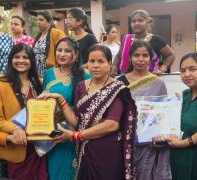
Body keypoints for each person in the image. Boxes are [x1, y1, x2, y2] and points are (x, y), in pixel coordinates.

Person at [38, 44, 137, 180]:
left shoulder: (117, 89)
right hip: (84, 150)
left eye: (101, 61)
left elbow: (112, 124)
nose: (95, 65)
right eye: (92, 61)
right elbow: (78, 122)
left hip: (107, 151)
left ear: (109, 64)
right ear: (87, 64)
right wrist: (61, 100)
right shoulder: (81, 87)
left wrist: (75, 136)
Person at [0, 44, 47, 180]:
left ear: (31, 60)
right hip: (16, 148)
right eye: (17, 57)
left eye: (25, 57)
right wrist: (14, 129)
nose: (21, 60)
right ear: (10, 60)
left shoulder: (38, 83)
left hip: (39, 148)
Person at [117, 40, 171, 180]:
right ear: (130, 57)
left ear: (151, 58)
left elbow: (162, 113)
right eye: (136, 55)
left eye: (145, 55)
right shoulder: (119, 82)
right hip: (123, 138)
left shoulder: (158, 83)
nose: (140, 59)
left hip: (148, 141)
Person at [42, 37, 91, 180]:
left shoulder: (85, 75)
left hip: (72, 132)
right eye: (59, 50)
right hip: (51, 133)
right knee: (52, 171)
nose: (62, 54)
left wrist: (65, 113)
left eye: (67, 51)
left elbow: (88, 107)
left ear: (75, 55)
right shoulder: (48, 73)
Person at [112, 9, 175, 75]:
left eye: (140, 20)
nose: (136, 23)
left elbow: (171, 55)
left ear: (147, 22)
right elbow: (119, 56)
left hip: (148, 80)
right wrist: (114, 66)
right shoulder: (126, 39)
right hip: (126, 78)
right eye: (134, 21)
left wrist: (162, 68)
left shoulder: (156, 39)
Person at [34, 11, 65, 76]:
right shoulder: (38, 36)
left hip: (51, 71)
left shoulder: (56, 33)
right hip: (37, 73)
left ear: (49, 22)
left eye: (41, 20)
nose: (38, 22)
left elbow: (64, 50)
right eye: (37, 20)